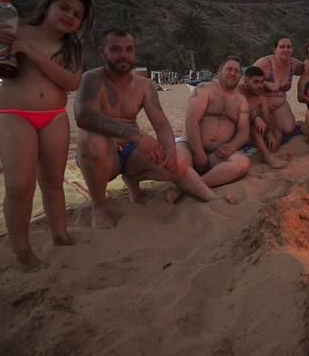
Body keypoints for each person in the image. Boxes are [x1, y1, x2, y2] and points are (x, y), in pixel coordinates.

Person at [0, 0, 94, 271]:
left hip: (53, 117)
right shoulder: (16, 28)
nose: (70, 16)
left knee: (53, 182)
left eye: (77, 15)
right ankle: (23, 250)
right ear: (48, 5)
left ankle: (60, 235)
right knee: (19, 185)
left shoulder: (71, 48)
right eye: (64, 8)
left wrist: (35, 56)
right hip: (14, 115)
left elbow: (72, 82)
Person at [75, 29, 221, 229]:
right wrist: (135, 136)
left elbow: (161, 124)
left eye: (129, 49)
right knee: (93, 142)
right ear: (103, 52)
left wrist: (169, 151)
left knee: (175, 164)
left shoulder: (144, 85)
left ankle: (210, 196)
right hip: (103, 152)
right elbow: (84, 116)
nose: (123, 55)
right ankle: (99, 206)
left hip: (131, 150)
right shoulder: (92, 79)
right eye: (116, 49)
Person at [175, 56, 251, 191]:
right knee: (178, 162)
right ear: (220, 71)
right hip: (190, 146)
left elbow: (243, 132)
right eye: (229, 69)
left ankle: (186, 188)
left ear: (240, 76)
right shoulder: (204, 89)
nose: (233, 73)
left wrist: (232, 146)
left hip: (216, 153)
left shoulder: (241, 100)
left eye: (237, 71)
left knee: (242, 164)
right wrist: (198, 153)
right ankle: (195, 185)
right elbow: (191, 121)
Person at [252, 37, 305, 137]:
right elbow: (246, 80)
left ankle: (275, 125)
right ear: (275, 50)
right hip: (259, 106)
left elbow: (305, 69)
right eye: (282, 47)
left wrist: (308, 62)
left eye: (289, 47)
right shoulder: (264, 63)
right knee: (261, 133)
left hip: (279, 105)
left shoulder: (294, 64)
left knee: (289, 129)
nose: (286, 49)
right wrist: (266, 84)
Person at [239, 66, 289, 169]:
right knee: (253, 124)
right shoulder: (238, 91)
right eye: (256, 82)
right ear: (246, 82)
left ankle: (266, 153)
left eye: (262, 82)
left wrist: (270, 133)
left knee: (277, 133)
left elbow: (267, 117)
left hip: (254, 135)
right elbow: (242, 108)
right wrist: (256, 118)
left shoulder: (260, 96)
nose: (260, 86)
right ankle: (268, 157)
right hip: (239, 131)